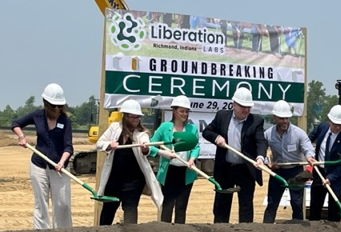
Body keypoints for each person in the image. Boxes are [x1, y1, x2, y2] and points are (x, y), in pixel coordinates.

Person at [11, 83, 73, 229]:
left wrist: (62, 161)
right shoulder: (37, 115)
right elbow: (16, 124)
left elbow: (68, 147)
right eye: (53, 106)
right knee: (41, 204)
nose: (57, 109)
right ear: (46, 104)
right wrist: (21, 137)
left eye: (60, 106)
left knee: (62, 205)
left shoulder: (65, 121)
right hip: (38, 166)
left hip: (60, 168)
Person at [202, 87, 267, 223]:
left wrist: (260, 157)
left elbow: (261, 142)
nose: (246, 110)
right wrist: (216, 138)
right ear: (234, 104)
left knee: (246, 205)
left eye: (248, 107)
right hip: (225, 169)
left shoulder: (256, 121)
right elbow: (207, 132)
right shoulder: (222, 116)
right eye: (243, 106)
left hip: (245, 170)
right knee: (221, 205)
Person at [96, 99, 163, 225]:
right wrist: (109, 145)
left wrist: (145, 148)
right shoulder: (114, 128)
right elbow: (99, 144)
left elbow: (146, 147)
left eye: (138, 117)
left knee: (130, 209)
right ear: (125, 116)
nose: (136, 120)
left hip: (134, 181)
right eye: (133, 117)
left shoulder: (141, 134)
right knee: (108, 210)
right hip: (114, 179)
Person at [149, 95, 200, 224]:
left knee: (181, 208)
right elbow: (151, 146)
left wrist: (192, 159)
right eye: (181, 111)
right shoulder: (164, 127)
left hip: (186, 173)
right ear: (174, 111)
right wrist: (164, 153)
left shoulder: (192, 129)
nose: (185, 114)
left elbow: (196, 147)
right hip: (168, 173)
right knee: (167, 206)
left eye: (187, 111)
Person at [263, 100, 315, 223]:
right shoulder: (268, 134)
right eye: (281, 118)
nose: (285, 121)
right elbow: (261, 150)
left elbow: (307, 147)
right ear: (275, 117)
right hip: (277, 172)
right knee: (272, 203)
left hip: (295, 171)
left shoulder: (298, 133)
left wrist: (310, 156)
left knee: (297, 203)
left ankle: (297, 227)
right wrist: (268, 162)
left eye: (287, 118)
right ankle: (266, 228)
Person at [307, 105, 341, 221]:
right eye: (335, 124)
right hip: (319, 172)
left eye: (340, 125)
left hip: (336, 177)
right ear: (329, 121)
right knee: (315, 206)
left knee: (334, 210)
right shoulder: (322, 127)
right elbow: (308, 140)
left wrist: (331, 178)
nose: (337, 127)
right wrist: (309, 154)